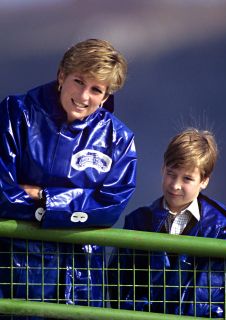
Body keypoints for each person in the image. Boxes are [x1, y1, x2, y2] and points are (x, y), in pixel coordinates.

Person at [0, 39, 137, 310]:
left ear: (106, 96)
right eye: (79, 81)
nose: (84, 96)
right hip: (16, 273)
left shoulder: (119, 138)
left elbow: (110, 207)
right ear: (61, 75)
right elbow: (3, 192)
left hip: (83, 281)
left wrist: (44, 199)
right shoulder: (16, 113)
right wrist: (69, 208)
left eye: (96, 89)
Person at [108, 128, 226, 317]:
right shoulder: (138, 221)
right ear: (163, 168)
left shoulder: (220, 229)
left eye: (187, 178)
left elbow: (225, 289)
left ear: (204, 181)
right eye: (171, 173)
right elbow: (119, 281)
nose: (175, 185)